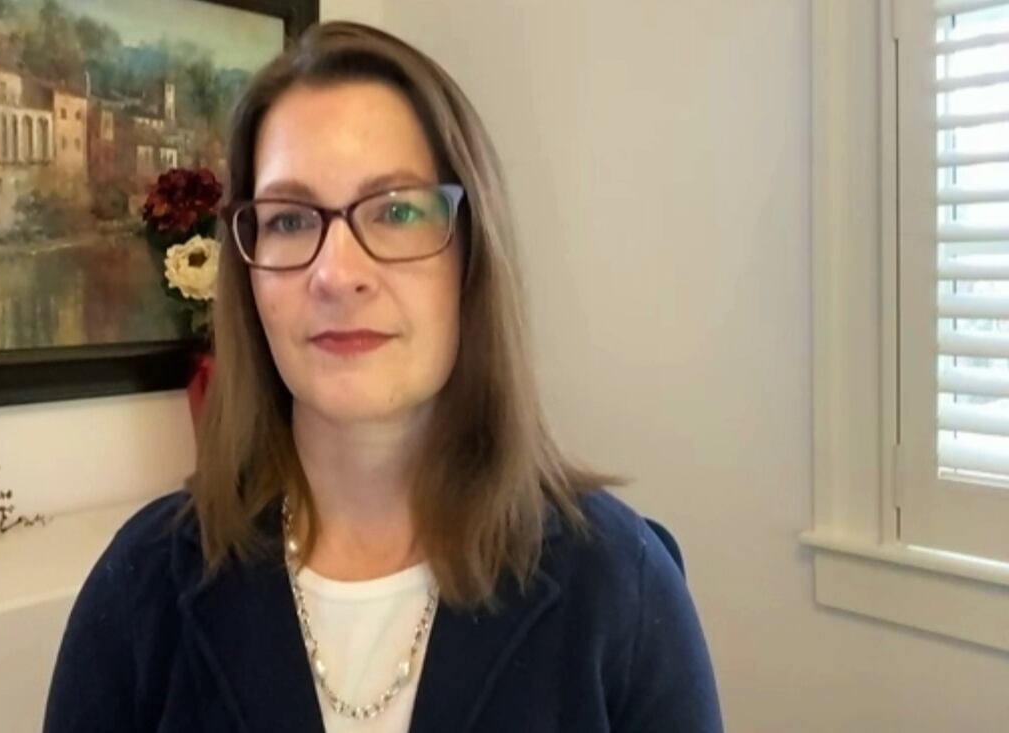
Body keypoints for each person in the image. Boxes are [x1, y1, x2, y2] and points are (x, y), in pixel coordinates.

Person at [44, 21, 722, 733]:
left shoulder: (621, 586)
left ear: (470, 259)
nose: (337, 273)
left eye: (397, 210)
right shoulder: (139, 591)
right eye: (289, 220)